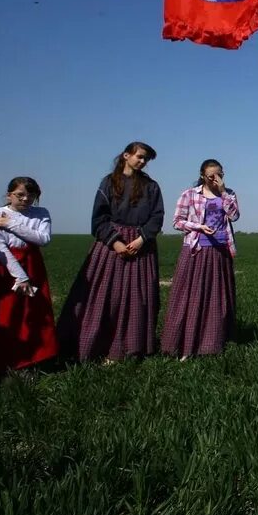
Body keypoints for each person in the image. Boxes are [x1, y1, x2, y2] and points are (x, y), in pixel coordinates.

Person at [57, 141, 164, 363]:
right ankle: (93, 347)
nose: (142, 162)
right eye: (140, 156)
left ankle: (130, 349)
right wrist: (115, 242)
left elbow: (157, 217)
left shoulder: (152, 186)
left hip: (140, 247)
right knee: (103, 298)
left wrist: (141, 239)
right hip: (110, 246)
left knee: (138, 300)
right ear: (126, 155)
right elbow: (99, 219)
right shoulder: (108, 183)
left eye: (146, 159)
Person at [0, 177, 58, 375]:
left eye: (31, 196)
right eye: (20, 195)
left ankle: (32, 359)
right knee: (2, 312)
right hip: (1, 265)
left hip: (32, 262)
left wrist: (12, 224)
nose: (25, 199)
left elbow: (43, 239)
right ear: (9, 195)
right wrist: (21, 276)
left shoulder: (41, 213)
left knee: (32, 313)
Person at [161, 159, 240, 359]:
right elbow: (176, 222)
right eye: (211, 176)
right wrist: (199, 227)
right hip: (196, 249)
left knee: (216, 298)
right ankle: (183, 343)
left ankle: (212, 344)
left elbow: (235, 215)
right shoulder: (189, 194)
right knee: (190, 296)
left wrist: (222, 192)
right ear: (203, 176)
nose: (215, 179)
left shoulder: (229, 194)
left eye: (219, 175)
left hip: (220, 251)